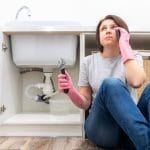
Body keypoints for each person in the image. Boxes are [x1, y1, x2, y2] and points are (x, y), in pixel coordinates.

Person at [58, 15, 150, 150]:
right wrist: (71, 91)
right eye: (103, 29)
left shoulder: (133, 57)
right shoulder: (88, 62)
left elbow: (136, 81)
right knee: (111, 85)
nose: (108, 30)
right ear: (99, 37)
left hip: (130, 130)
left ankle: (142, 140)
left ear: (122, 33)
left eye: (113, 28)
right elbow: (85, 103)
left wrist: (124, 45)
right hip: (102, 129)